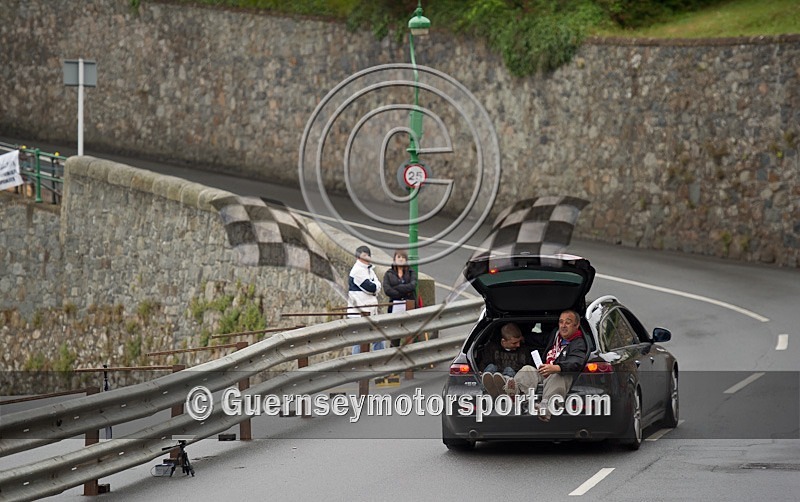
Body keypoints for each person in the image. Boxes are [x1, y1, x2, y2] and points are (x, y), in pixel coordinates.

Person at [511, 309, 588, 421]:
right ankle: (513, 392)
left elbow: (576, 361)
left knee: (558, 376)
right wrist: (521, 338)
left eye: (568, 322)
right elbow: (538, 339)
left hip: (560, 375)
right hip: (545, 371)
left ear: (576, 325)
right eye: (561, 322)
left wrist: (557, 368)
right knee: (527, 369)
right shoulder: (556, 335)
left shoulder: (579, 343)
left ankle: (546, 409)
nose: (563, 326)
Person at [478, 323, 534, 398]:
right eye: (514, 343)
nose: (518, 345)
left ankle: (505, 389)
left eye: (519, 342)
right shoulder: (491, 348)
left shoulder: (524, 350)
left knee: (509, 370)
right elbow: (484, 364)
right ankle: (487, 389)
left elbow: (526, 369)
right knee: (491, 367)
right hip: (494, 377)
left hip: (512, 381)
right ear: (503, 341)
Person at [348, 245, 383, 354]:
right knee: (359, 340)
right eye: (363, 256)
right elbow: (370, 287)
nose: (365, 258)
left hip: (370, 311)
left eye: (367, 255)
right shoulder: (357, 271)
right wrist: (375, 287)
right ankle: (356, 366)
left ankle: (380, 361)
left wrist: (375, 287)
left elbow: (377, 285)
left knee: (378, 338)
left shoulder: (369, 270)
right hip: (358, 313)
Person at [382, 249, 417, 347]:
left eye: (403, 257)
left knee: (409, 332)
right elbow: (387, 290)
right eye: (398, 257)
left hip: (409, 305)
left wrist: (397, 288)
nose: (401, 259)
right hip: (395, 306)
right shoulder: (389, 274)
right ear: (394, 259)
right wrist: (403, 292)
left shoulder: (411, 272)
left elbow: (413, 285)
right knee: (395, 334)